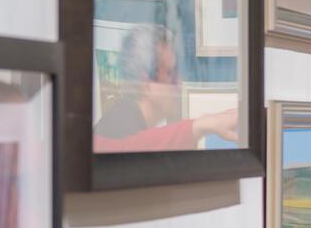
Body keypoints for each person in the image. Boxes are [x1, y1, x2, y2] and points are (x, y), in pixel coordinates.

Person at [94, 24, 240, 152]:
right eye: (170, 74)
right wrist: (201, 125)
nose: (179, 83)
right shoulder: (117, 132)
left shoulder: (127, 121)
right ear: (145, 84)